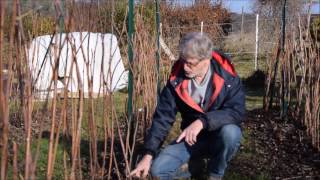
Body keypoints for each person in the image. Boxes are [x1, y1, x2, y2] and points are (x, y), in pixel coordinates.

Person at [130, 32, 245, 180]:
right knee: (158, 171)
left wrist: (203, 121)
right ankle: (196, 166)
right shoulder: (176, 80)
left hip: (219, 138)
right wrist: (148, 154)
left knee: (231, 132)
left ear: (206, 60)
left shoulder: (228, 77)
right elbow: (163, 118)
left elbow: (237, 112)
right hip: (192, 140)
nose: (185, 67)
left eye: (191, 63)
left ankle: (215, 174)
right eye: (183, 61)